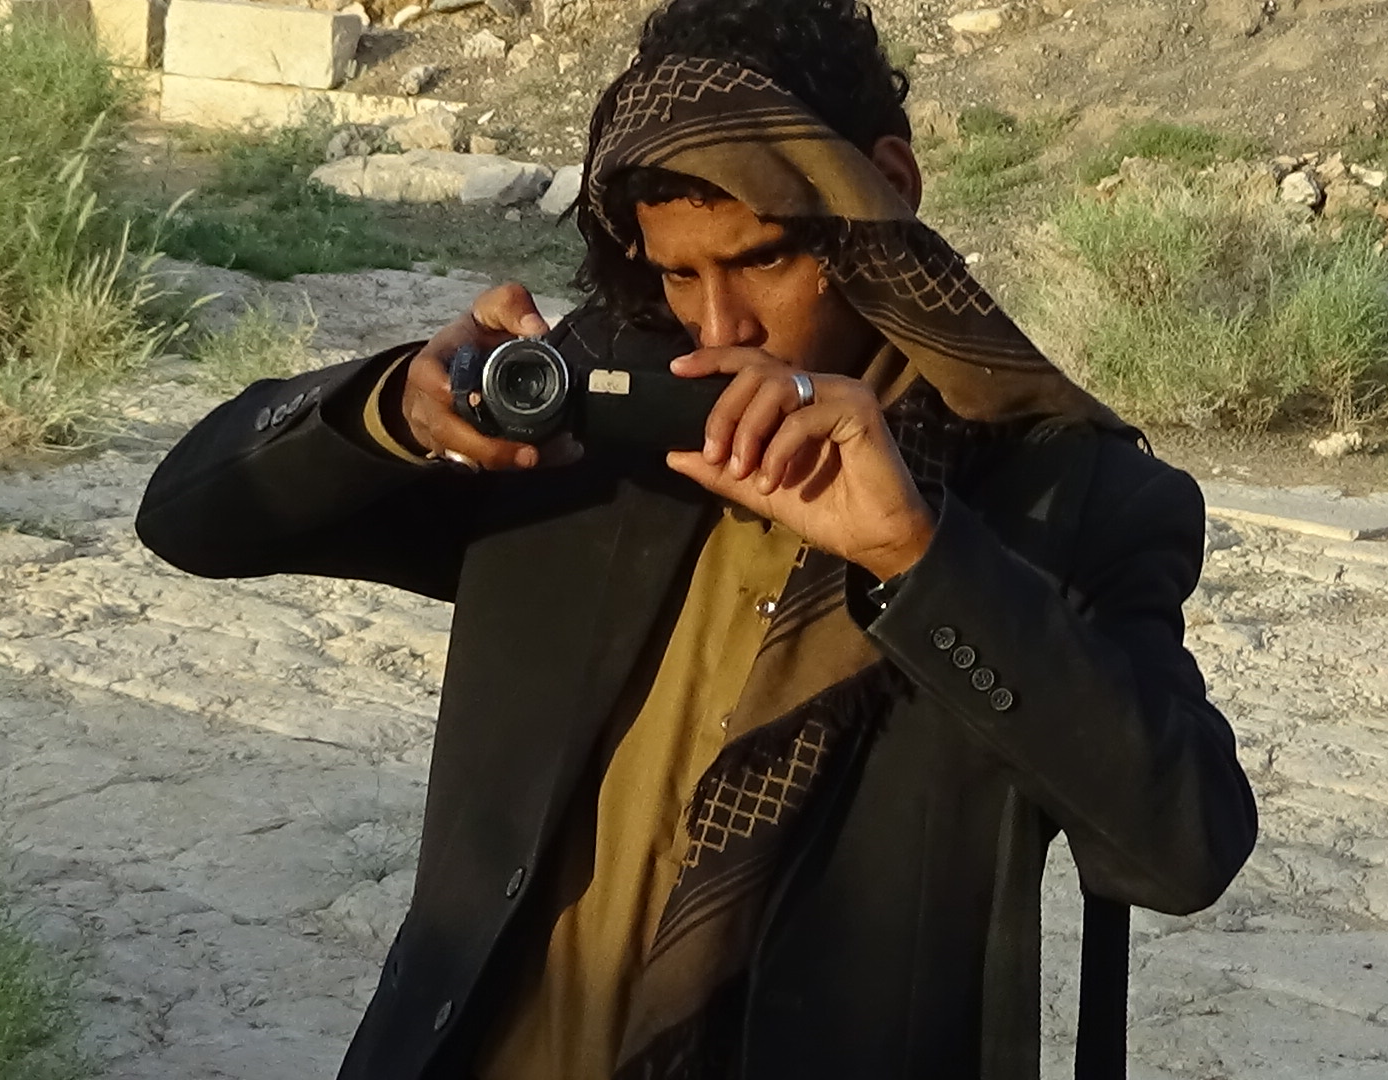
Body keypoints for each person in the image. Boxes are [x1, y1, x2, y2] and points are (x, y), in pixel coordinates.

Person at [135, 0, 1257, 1076]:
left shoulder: (1062, 496)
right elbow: (193, 519)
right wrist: (396, 408)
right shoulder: (601, 413)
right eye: (678, 273)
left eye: (762, 259)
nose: (719, 325)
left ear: (888, 191)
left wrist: (918, 561)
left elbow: (1181, 849)